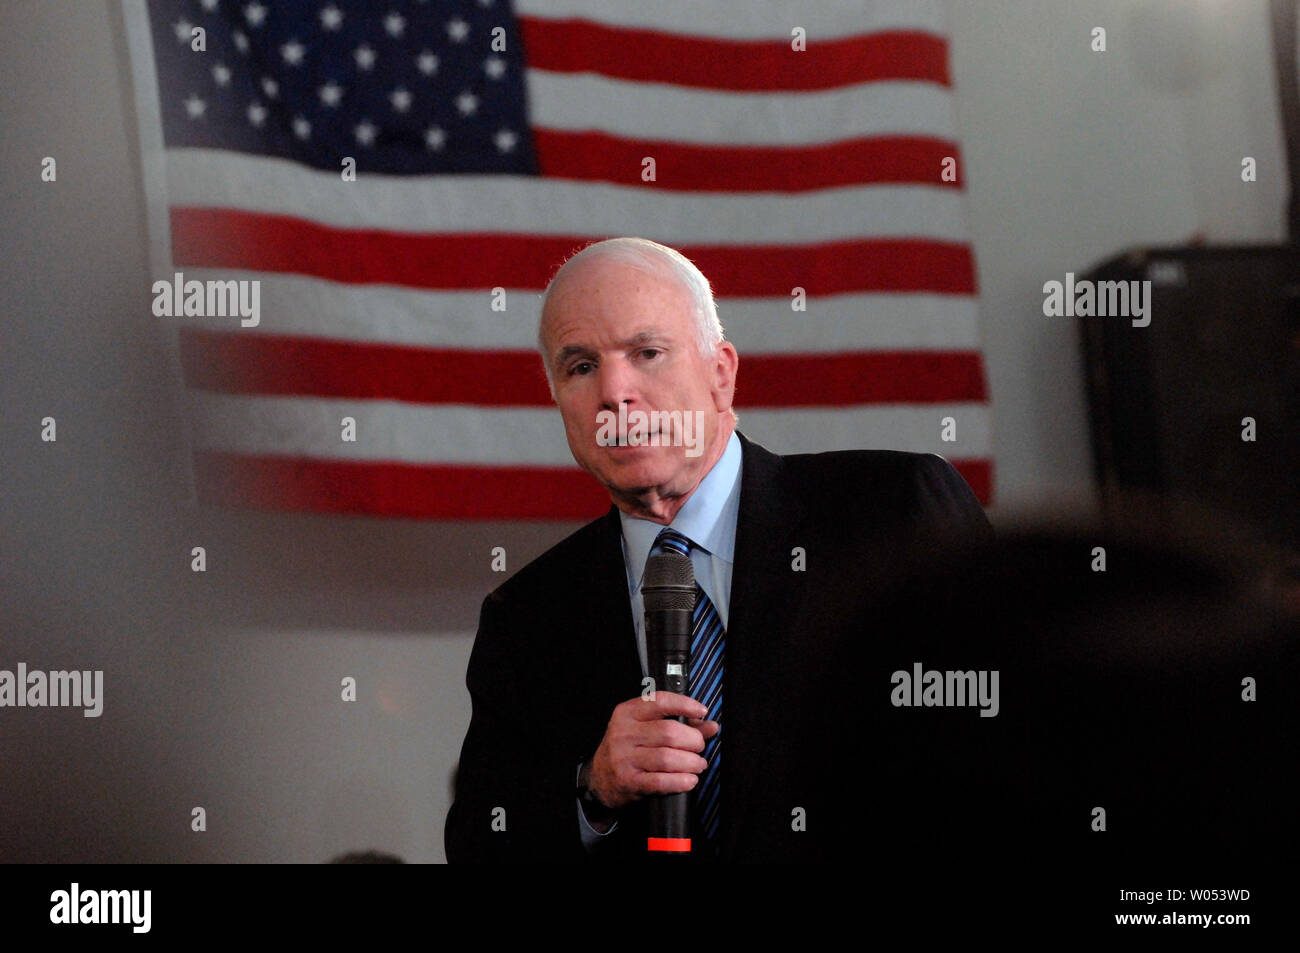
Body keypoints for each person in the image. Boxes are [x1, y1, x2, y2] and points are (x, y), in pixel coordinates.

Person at [444, 237, 993, 862]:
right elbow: (479, 845)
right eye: (581, 366)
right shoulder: (528, 618)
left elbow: (1033, 740)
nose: (615, 393)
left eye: (646, 352)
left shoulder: (894, 511)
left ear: (721, 373)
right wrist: (593, 789)